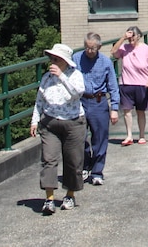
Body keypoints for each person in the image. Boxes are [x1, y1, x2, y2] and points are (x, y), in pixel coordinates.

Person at [29, 43, 86, 214]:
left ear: (65, 61)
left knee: (73, 161)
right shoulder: (47, 77)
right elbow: (40, 100)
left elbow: (77, 93)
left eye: (56, 59)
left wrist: (62, 77)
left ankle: (70, 195)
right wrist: (34, 120)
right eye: (51, 58)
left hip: (73, 122)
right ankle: (49, 199)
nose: (52, 62)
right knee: (49, 159)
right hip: (50, 123)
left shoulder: (75, 75)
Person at [71, 33, 120, 186]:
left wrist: (114, 108)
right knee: (80, 137)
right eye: (86, 47)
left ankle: (97, 171)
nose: (89, 50)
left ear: (99, 47)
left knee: (100, 138)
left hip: (99, 102)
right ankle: (85, 166)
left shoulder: (106, 62)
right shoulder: (76, 58)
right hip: (80, 101)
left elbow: (113, 86)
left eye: (92, 48)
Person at [111, 26, 148, 145]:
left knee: (140, 111)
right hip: (126, 83)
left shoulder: (146, 48)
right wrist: (123, 37)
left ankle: (142, 135)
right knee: (127, 111)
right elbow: (114, 52)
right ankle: (129, 135)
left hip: (142, 84)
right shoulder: (124, 47)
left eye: (133, 37)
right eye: (129, 37)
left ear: (138, 36)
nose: (131, 40)